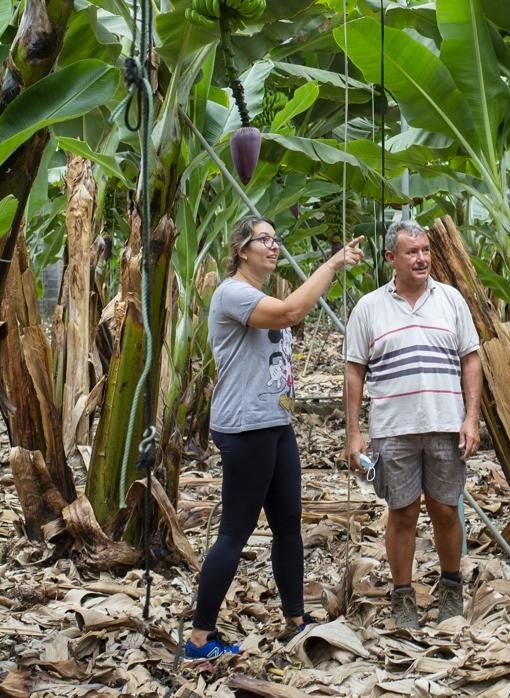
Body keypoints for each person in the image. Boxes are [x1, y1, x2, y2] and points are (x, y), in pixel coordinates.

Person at [186, 215, 364, 659]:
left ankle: (296, 618)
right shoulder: (232, 293)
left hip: (275, 426)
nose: (273, 245)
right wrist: (333, 264)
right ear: (242, 250)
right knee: (235, 532)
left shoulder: (258, 293)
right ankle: (199, 639)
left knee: (288, 526)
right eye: (262, 239)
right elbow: (290, 313)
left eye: (275, 238)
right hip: (245, 428)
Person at [343, 220, 482, 629]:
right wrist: (354, 433)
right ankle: (403, 596)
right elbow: (354, 371)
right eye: (411, 252)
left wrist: (471, 418)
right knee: (402, 512)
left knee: (444, 507)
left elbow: (470, 358)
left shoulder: (451, 300)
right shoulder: (369, 308)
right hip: (393, 427)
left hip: (445, 422)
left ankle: (451, 587)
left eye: (425, 250)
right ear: (391, 258)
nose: (421, 258)